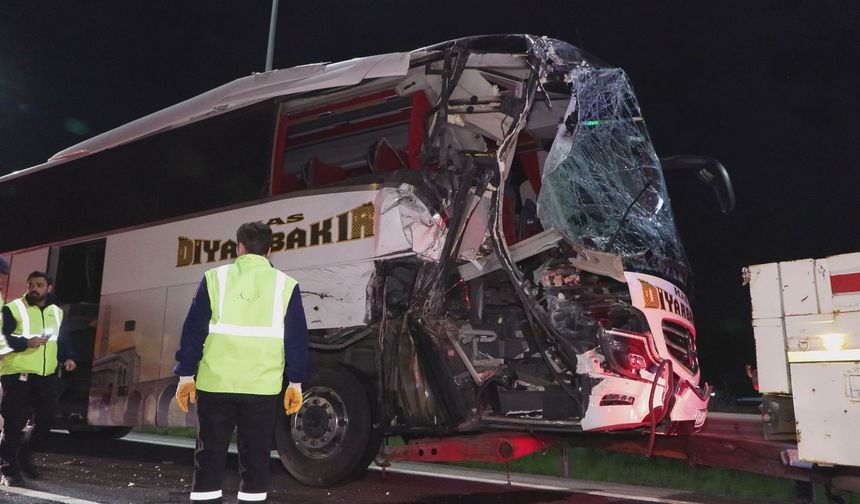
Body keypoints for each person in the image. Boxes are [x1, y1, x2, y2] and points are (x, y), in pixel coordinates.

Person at [174, 221, 309, 504]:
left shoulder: (214, 278)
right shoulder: (286, 285)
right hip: (262, 388)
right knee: (256, 458)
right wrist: (295, 382)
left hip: (216, 384)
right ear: (269, 250)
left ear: (240, 248)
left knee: (209, 455)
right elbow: (295, 340)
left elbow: (193, 330)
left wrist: (186, 375)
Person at [0, 271, 76, 487]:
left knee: (46, 420)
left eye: (39, 285)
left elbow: (61, 339)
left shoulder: (57, 312)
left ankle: (23, 455)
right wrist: (25, 342)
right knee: (14, 423)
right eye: (31, 284)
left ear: (48, 288)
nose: (34, 288)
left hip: (46, 374)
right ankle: (9, 469)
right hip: (17, 373)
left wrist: (68, 357)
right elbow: (3, 336)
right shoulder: (13, 308)